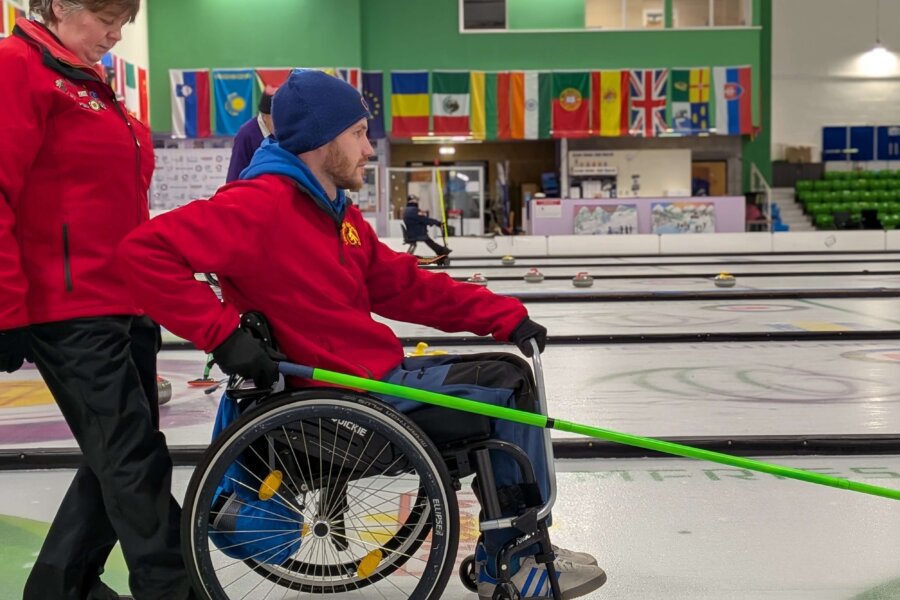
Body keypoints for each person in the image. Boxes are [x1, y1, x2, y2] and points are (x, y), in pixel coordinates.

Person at [117, 69, 607, 600]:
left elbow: (404, 285)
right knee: (506, 393)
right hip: (337, 397)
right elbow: (142, 253)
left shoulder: (337, 215)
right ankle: (511, 561)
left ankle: (511, 551)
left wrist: (502, 315)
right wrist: (222, 334)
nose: (369, 149)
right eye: (357, 134)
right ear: (322, 140)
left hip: (368, 378)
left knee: (506, 371)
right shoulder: (259, 206)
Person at [0, 2, 194, 598]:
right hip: (70, 309)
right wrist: (6, 308)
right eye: (106, 17)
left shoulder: (89, 82)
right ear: (60, 5)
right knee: (133, 461)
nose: (115, 34)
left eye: (123, 22)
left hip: (124, 303)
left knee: (114, 460)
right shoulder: (17, 67)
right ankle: (175, 589)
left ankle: (61, 586)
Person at [225, 86, 276, 183]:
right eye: (275, 118)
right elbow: (235, 175)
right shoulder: (246, 134)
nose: (281, 123)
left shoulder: (287, 129)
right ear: (264, 116)